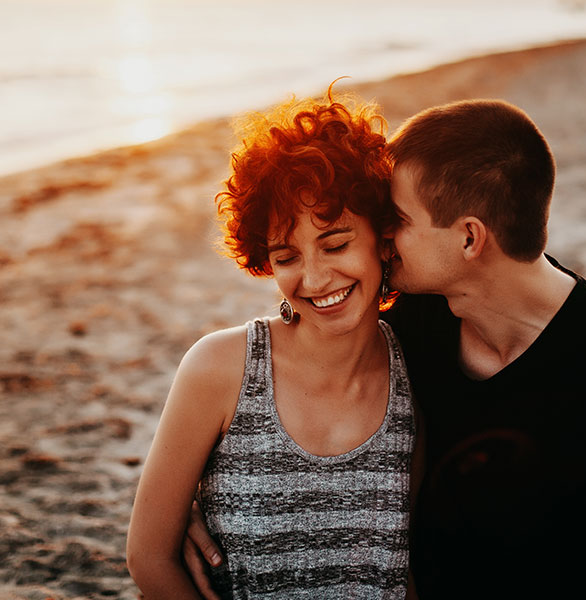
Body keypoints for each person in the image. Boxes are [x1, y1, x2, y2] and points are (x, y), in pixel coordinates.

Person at [185, 98, 586, 599]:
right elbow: (296, 346)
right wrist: (198, 503)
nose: (382, 236)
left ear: (470, 238)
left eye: (398, 220)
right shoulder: (414, 318)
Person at [126, 88, 417, 599]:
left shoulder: (419, 369)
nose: (315, 277)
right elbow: (150, 556)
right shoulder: (219, 369)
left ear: (383, 236)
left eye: (336, 243)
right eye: (286, 257)